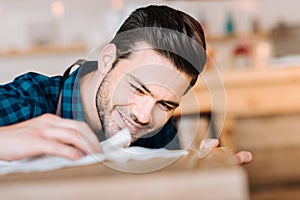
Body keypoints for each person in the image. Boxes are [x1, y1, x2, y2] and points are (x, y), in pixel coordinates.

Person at [0, 5, 252, 164]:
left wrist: (197, 176)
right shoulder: (27, 102)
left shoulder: (157, 131)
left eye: (164, 104)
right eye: (138, 89)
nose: (143, 115)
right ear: (107, 60)